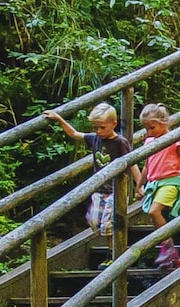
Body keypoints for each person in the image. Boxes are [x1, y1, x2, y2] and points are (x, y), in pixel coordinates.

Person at [46, 102, 133, 239]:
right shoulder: (95, 138)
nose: (98, 131)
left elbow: (131, 163)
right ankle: (113, 251)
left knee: (108, 226)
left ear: (113, 124)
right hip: (99, 189)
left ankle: (114, 254)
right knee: (93, 221)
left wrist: (139, 185)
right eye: (96, 127)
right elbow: (74, 133)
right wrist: (59, 118)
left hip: (116, 191)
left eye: (102, 127)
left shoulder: (120, 142)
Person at [134, 103, 180, 272]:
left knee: (154, 211)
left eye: (151, 127)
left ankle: (167, 247)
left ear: (164, 122)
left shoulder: (175, 139)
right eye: (146, 128)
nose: (148, 132)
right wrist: (139, 185)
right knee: (154, 214)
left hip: (171, 182)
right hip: (154, 184)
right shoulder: (149, 141)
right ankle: (171, 252)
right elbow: (146, 166)